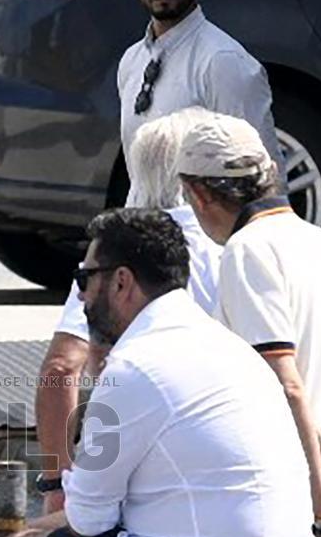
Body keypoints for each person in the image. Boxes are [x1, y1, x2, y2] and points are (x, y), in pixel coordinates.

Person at [0, 209, 316, 537]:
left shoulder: (135, 367)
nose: (79, 297)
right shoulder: (228, 347)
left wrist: (29, 531)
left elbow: (88, 521)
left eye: (84, 279)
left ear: (121, 281)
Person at [177, 111, 321, 537]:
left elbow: (285, 382)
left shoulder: (247, 251)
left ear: (200, 194)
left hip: (290, 504)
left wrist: (319, 504)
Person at [36, 107, 221, 513]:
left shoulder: (115, 249)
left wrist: (58, 482)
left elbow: (61, 370)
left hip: (130, 472)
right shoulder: (238, 248)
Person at [119, 0, 282, 202]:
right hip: (144, 233)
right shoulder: (131, 61)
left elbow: (261, 178)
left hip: (200, 240)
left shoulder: (224, 62)